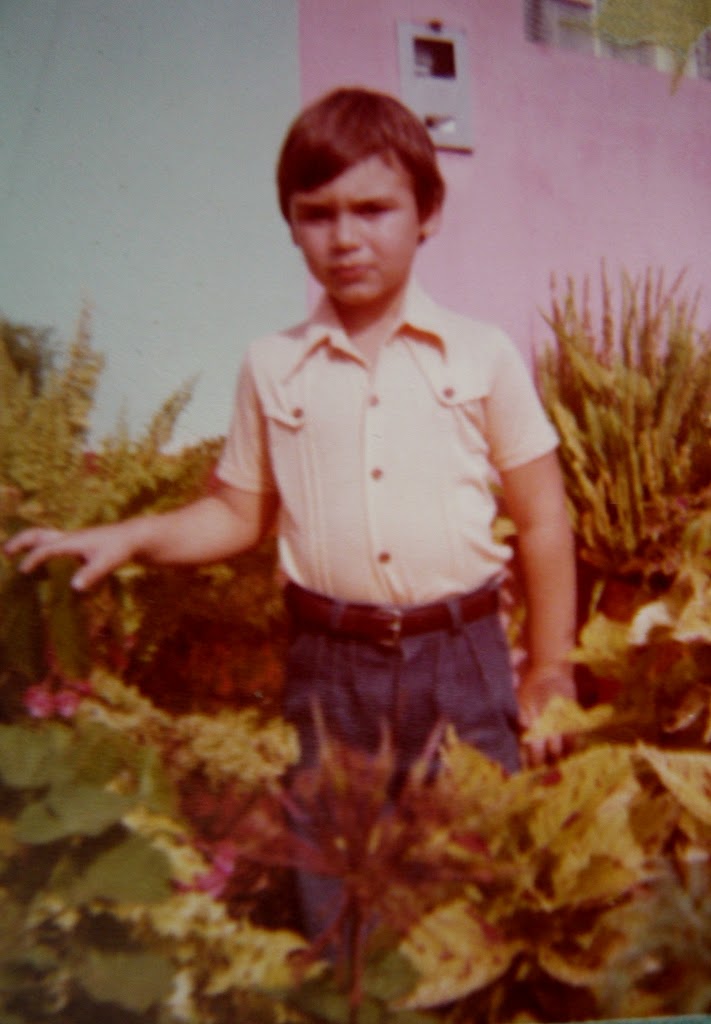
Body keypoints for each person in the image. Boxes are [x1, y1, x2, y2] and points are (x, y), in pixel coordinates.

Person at [6, 88, 575, 792]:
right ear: (291, 226)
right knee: (333, 848)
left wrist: (550, 666)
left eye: (372, 209)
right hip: (331, 666)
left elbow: (542, 518)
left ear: (427, 212)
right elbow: (235, 514)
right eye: (317, 214)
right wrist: (129, 536)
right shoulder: (272, 366)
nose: (345, 238)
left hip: (460, 657)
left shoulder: (481, 354)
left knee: (469, 845)